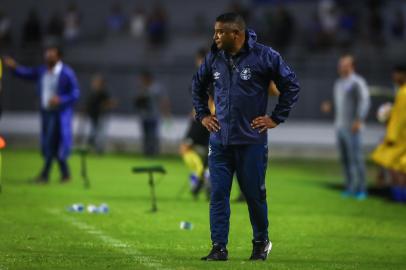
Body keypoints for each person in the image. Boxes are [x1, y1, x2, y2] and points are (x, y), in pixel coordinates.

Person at [192, 13, 300, 261]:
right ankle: (219, 247)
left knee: (254, 196)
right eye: (215, 31)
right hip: (219, 141)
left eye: (220, 32)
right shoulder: (214, 57)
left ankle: (261, 242)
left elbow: (291, 84)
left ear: (236, 34)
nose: (215, 36)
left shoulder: (265, 56)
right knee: (218, 194)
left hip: (251, 141)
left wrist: (276, 118)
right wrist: (203, 115)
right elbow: (197, 86)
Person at [3, 45, 80, 183]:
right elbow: (27, 73)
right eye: (47, 53)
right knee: (52, 144)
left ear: (59, 56)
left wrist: (60, 99)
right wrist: (15, 67)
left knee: (51, 143)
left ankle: (45, 175)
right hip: (46, 113)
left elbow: (75, 94)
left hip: (59, 114)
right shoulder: (42, 71)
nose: (48, 55)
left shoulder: (66, 73)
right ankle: (65, 174)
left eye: (52, 53)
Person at [322, 55, 370, 199]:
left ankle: (361, 189)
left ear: (352, 66)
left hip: (353, 126)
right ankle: (350, 187)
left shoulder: (357, 82)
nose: (341, 67)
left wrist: (359, 119)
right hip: (340, 127)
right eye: (340, 64)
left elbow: (364, 101)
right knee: (345, 159)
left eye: (344, 64)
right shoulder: (338, 83)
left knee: (356, 158)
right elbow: (341, 103)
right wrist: (330, 105)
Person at [371, 65, 406, 202]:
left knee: (394, 166)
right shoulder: (401, 91)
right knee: (399, 167)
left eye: (396, 74)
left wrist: (391, 136)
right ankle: (399, 197)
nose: (394, 77)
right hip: (400, 136)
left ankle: (399, 197)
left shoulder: (403, 93)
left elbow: (401, 119)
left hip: (399, 138)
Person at [133, 69, 170, 156]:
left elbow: (164, 100)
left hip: (154, 115)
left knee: (153, 135)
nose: (142, 80)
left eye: (144, 79)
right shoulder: (141, 88)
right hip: (144, 115)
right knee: (145, 135)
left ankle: (154, 152)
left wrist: (166, 112)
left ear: (148, 78)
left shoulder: (156, 88)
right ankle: (146, 152)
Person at [85, 74, 115, 154]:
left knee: (100, 134)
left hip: (101, 116)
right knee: (93, 133)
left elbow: (109, 104)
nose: (95, 83)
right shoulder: (92, 93)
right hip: (93, 116)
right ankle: (92, 148)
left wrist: (105, 105)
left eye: (97, 82)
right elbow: (89, 104)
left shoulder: (104, 93)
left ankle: (99, 150)